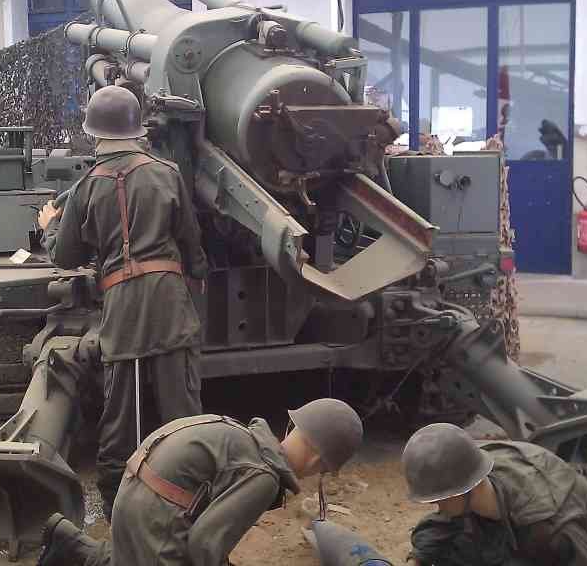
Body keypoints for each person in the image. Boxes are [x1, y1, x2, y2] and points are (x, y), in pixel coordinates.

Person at [37, 85, 209, 520]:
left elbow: (66, 258)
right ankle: (195, 504)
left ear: (94, 134)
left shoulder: (86, 187)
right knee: (182, 412)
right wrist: (196, 278)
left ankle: (118, 510)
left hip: (122, 307)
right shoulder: (167, 172)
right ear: (137, 129)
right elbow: (191, 241)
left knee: (121, 417)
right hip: (170, 302)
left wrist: (51, 226)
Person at [38, 397, 364, 566]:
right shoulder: (263, 476)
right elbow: (204, 545)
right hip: (153, 514)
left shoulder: (246, 439)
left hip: (136, 499)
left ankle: (68, 542)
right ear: (317, 461)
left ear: (293, 429)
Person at [403, 423, 587, 566]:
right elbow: (440, 526)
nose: (438, 507)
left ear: (464, 491)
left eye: (439, 500)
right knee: (456, 548)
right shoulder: (472, 478)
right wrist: (417, 560)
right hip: (512, 529)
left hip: (550, 548)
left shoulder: (551, 526)